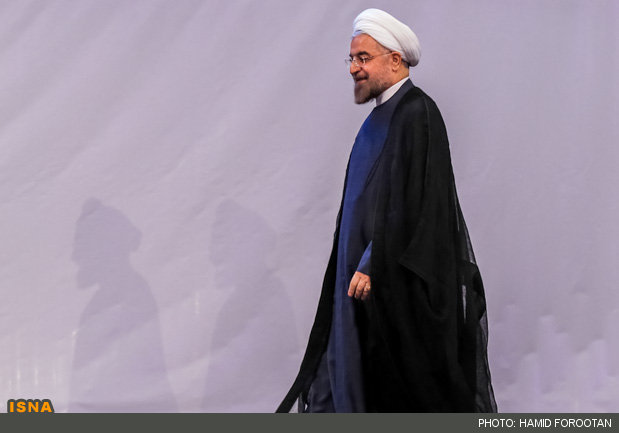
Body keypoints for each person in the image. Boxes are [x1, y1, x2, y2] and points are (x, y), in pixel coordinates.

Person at [277, 8, 497, 413]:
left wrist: (372, 262)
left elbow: (420, 203)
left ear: (395, 60)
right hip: (356, 281)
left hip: (387, 283)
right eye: (351, 58)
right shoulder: (378, 119)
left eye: (363, 58)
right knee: (338, 374)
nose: (353, 68)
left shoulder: (418, 113)